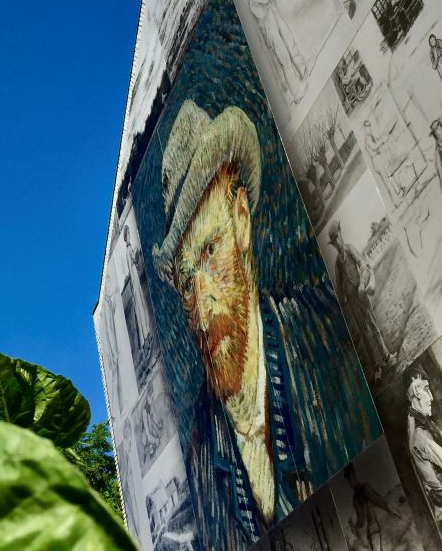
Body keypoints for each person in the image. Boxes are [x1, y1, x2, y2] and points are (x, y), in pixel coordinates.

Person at [151, 100, 377, 548]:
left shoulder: (325, 335)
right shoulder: (199, 457)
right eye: (185, 283)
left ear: (241, 221)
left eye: (209, 253)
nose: (201, 307)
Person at [327, 220, 394, 378]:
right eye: (333, 241)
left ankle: (386, 357)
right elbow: (339, 286)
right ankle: (376, 368)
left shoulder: (350, 249)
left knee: (373, 325)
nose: (336, 242)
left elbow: (363, 265)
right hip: (352, 301)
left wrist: (362, 284)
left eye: (337, 238)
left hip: (361, 293)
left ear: (341, 234)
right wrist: (341, 300)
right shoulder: (338, 262)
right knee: (364, 333)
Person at [246, 0, 308, 101]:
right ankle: (296, 91)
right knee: (283, 57)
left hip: (273, 15)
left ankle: (302, 70)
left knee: (289, 40)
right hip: (268, 26)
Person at [407, 368, 442, 522]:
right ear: (415, 390)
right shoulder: (420, 435)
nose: (432, 397)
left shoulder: (418, 423)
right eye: (426, 389)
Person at [344, 462, 401, 551]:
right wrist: (353, 527)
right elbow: (361, 520)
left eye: (351, 478)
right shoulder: (355, 499)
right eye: (349, 480)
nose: (351, 483)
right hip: (371, 532)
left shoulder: (365, 489)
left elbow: (379, 501)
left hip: (374, 531)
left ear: (354, 476)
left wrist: (394, 511)